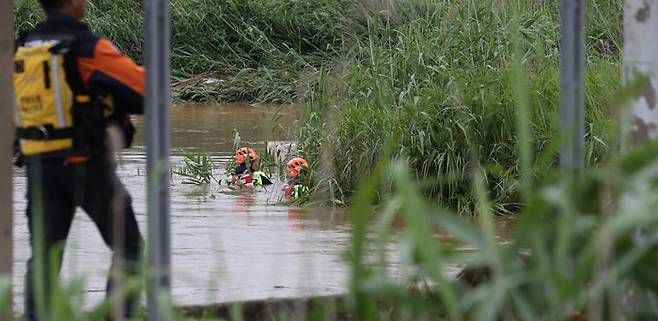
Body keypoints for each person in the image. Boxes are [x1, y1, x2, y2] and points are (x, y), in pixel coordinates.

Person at [13, 0, 145, 320]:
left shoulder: (20, 47)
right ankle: (119, 315)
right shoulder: (87, 46)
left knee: (44, 258)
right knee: (128, 246)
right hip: (85, 163)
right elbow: (144, 90)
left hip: (38, 166)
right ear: (74, 2)